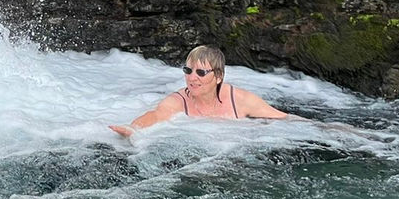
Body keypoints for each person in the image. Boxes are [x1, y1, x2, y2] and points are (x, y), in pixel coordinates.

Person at [110, 45, 294, 137]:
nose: (192, 77)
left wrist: (321, 128)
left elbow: (282, 118)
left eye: (201, 72)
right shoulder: (178, 101)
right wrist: (132, 128)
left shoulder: (240, 100)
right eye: (188, 70)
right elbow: (156, 115)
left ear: (219, 76)